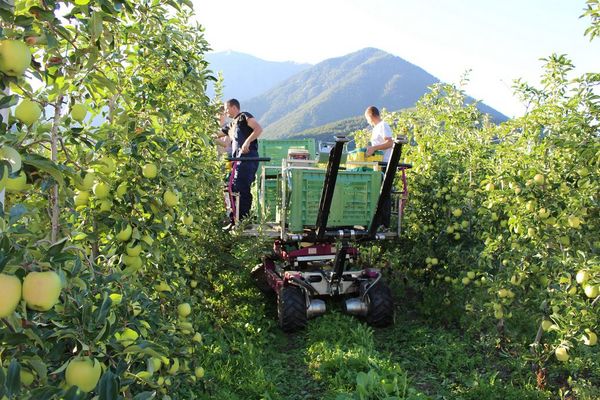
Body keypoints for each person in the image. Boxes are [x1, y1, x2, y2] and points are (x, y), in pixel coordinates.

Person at [221, 98, 263, 227]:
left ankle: (244, 220)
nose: (226, 111)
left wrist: (247, 142)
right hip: (237, 161)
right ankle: (235, 219)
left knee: (242, 188)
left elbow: (258, 129)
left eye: (227, 108)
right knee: (232, 187)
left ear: (234, 107)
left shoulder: (244, 117)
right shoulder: (231, 125)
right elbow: (219, 137)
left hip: (247, 158)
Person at [364, 106, 393, 227]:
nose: (368, 122)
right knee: (378, 193)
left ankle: (384, 223)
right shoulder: (376, 128)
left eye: (367, 119)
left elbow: (390, 142)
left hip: (385, 163)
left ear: (371, 115)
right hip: (378, 164)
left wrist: (374, 148)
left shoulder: (383, 125)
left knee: (384, 193)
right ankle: (378, 220)